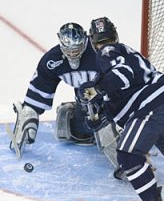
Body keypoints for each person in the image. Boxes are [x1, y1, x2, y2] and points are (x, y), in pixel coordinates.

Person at [78, 17, 164, 201]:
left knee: (127, 154)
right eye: (102, 42)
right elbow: (120, 91)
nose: (104, 45)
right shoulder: (123, 52)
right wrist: (98, 109)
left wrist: (97, 89)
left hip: (150, 106)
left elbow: (123, 75)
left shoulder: (107, 53)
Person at [9, 22, 119, 169]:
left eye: (76, 49)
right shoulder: (52, 61)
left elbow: (123, 83)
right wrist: (28, 116)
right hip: (87, 103)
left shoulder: (100, 53)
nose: (73, 54)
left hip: (115, 101)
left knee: (108, 125)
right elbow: (36, 95)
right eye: (69, 50)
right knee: (70, 126)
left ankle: (130, 141)